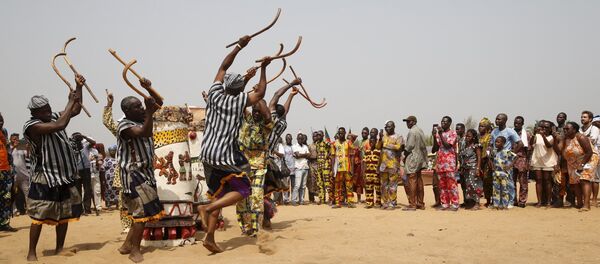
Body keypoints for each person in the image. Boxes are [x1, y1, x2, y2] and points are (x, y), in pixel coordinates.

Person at [197, 35, 273, 253]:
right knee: (244, 189)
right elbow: (260, 92)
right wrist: (264, 69)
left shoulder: (213, 94)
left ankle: (210, 238)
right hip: (225, 156)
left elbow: (224, 65)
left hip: (207, 153)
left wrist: (240, 46)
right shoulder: (240, 101)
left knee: (219, 196)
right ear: (240, 90)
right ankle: (207, 208)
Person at [23, 75, 85, 261]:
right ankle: (31, 252)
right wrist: (69, 101)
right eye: (44, 110)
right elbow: (60, 124)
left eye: (49, 108)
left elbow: (76, 110)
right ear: (35, 113)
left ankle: (59, 248)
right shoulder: (32, 125)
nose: (48, 112)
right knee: (39, 215)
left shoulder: (54, 116)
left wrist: (78, 87)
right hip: (45, 176)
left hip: (64, 175)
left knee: (65, 213)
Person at [116, 78, 165, 263]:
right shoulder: (124, 125)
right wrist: (150, 113)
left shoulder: (141, 118)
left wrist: (149, 88)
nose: (141, 109)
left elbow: (159, 102)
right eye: (137, 107)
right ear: (127, 111)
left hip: (144, 173)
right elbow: (145, 133)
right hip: (132, 174)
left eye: (140, 106)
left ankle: (127, 245)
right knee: (140, 214)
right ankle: (135, 250)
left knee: (141, 211)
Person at [236, 98, 273, 236]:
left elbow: (268, 114)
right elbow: (240, 103)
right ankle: (246, 227)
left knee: (256, 198)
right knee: (241, 198)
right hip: (242, 166)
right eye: (254, 110)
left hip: (259, 167)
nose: (256, 113)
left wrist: (259, 97)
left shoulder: (267, 125)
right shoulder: (246, 120)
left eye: (259, 111)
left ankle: (257, 229)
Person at [103, 90, 132, 233]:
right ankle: (127, 226)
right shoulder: (121, 130)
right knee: (124, 201)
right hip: (123, 172)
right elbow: (107, 122)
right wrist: (109, 105)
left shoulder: (142, 129)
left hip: (141, 171)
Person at [558, 122, 599, 212]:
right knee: (575, 182)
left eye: (567, 129)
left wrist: (582, 165)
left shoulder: (581, 137)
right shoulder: (565, 139)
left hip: (588, 159)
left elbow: (589, 152)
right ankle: (579, 203)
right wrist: (561, 139)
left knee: (584, 179)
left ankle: (586, 205)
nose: (565, 130)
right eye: (564, 129)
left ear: (574, 130)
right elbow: (559, 150)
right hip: (573, 162)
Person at [490, 114, 523, 208]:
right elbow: (491, 144)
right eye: (496, 119)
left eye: (499, 119)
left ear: (505, 121)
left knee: (508, 182)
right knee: (497, 183)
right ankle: (499, 202)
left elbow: (520, 143)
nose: (497, 121)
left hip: (506, 160)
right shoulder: (494, 131)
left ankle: (510, 202)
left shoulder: (510, 131)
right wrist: (490, 153)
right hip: (497, 159)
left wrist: (511, 153)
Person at [432, 116, 459, 211]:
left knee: (451, 184)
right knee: (442, 185)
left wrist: (440, 134)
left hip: (449, 163)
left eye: (445, 122)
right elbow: (435, 148)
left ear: (449, 123)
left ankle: (455, 203)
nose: (443, 123)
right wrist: (434, 136)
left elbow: (447, 146)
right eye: (442, 121)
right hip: (440, 163)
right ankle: (445, 203)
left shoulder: (453, 133)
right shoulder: (439, 134)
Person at [402, 116, 428, 211]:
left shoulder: (412, 132)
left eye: (409, 122)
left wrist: (404, 154)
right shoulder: (420, 130)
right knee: (419, 180)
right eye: (407, 122)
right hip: (420, 158)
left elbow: (409, 146)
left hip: (413, 158)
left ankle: (412, 204)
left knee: (412, 180)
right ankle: (420, 203)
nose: (407, 123)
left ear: (413, 122)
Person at [530, 120, 558, 208]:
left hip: (548, 161)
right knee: (538, 181)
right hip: (537, 161)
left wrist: (543, 136)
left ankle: (548, 202)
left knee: (547, 181)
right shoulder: (537, 136)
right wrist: (534, 134)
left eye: (546, 127)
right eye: (542, 127)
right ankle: (539, 201)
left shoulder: (552, 137)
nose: (544, 129)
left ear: (550, 129)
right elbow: (531, 143)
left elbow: (549, 146)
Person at [379, 121, 403, 210]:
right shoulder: (383, 137)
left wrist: (386, 145)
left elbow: (398, 147)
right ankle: (385, 202)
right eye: (386, 127)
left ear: (394, 127)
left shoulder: (398, 136)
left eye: (389, 127)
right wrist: (379, 139)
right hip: (383, 165)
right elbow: (378, 147)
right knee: (383, 185)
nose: (387, 128)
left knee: (393, 185)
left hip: (393, 164)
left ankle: (392, 203)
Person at [458, 129, 483, 210]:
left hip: (473, 168)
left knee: (475, 185)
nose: (467, 137)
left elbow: (479, 158)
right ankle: (471, 202)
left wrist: (478, 169)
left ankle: (477, 203)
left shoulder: (476, 146)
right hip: (466, 170)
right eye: (466, 136)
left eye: (469, 136)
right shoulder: (465, 147)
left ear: (473, 137)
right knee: (469, 186)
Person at [331, 127, 355, 208]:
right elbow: (333, 157)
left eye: (342, 133)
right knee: (337, 185)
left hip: (347, 167)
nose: (340, 134)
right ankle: (338, 202)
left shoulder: (349, 143)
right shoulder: (334, 144)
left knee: (349, 185)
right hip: (338, 168)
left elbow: (352, 156)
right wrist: (332, 169)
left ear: (345, 133)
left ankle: (350, 202)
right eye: (339, 133)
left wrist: (352, 167)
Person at [579, 111, 600, 206]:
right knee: (584, 178)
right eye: (582, 117)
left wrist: (582, 139)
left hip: (593, 155)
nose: (582, 119)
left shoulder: (594, 128)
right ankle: (586, 199)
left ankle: (592, 200)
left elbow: (592, 140)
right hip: (583, 156)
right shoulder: (580, 129)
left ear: (590, 119)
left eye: (585, 117)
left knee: (591, 178)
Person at [0, 113, 16, 232]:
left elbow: (8, 150)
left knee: (6, 197)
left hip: (5, 170)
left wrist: (10, 167)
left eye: (1, 120)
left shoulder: (3, 133)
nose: (1, 122)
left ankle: (4, 223)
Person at [491, 136, 517, 210]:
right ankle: (496, 204)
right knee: (496, 189)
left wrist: (510, 165)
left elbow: (515, 157)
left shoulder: (506, 151)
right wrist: (492, 166)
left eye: (498, 142)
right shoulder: (494, 151)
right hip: (496, 173)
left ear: (503, 143)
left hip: (504, 173)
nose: (496, 143)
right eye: (496, 142)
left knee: (505, 189)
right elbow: (491, 158)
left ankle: (505, 204)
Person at [10, 134, 30, 216]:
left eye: (17, 139)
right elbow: (8, 156)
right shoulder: (9, 148)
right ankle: (14, 210)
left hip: (23, 174)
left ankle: (30, 210)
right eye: (14, 139)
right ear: (10, 139)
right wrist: (14, 147)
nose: (16, 140)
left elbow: (28, 156)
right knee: (12, 193)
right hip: (13, 174)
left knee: (27, 193)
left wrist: (28, 149)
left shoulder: (21, 148)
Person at [513, 116, 531, 207]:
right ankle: (513, 200)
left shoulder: (526, 134)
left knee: (523, 182)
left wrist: (528, 162)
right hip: (511, 160)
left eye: (518, 123)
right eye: (515, 122)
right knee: (511, 182)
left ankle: (522, 201)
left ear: (522, 124)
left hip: (522, 159)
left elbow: (529, 149)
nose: (516, 124)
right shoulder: (511, 132)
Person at [363, 128, 382, 208]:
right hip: (368, 173)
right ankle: (369, 203)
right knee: (368, 188)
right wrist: (364, 172)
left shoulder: (378, 151)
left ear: (376, 142)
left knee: (377, 188)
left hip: (376, 173)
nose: (371, 143)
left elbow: (380, 162)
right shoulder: (366, 152)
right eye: (370, 142)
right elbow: (364, 162)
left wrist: (378, 170)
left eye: (373, 141)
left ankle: (378, 203)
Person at [479, 118, 494, 207]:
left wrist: (488, 158)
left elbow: (489, 148)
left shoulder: (489, 136)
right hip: (479, 161)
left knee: (489, 180)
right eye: (479, 126)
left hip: (487, 161)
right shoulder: (478, 137)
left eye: (483, 126)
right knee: (483, 182)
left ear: (487, 127)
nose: (480, 128)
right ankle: (487, 200)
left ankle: (492, 200)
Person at [292, 133, 310, 205]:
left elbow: (309, 155)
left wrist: (300, 155)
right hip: (298, 168)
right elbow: (297, 155)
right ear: (297, 139)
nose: (300, 139)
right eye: (299, 138)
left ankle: (301, 200)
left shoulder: (305, 146)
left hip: (305, 167)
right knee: (297, 185)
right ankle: (294, 200)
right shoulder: (294, 146)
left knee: (303, 186)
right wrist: (304, 155)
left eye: (301, 138)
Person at [315, 130, 332, 204]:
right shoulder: (317, 144)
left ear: (322, 136)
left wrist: (329, 154)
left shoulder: (326, 142)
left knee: (327, 183)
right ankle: (322, 199)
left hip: (325, 165)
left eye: (319, 135)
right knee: (320, 183)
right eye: (317, 135)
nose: (318, 136)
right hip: (319, 165)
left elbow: (332, 148)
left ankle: (331, 199)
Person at [353, 127, 369, 203]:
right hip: (359, 164)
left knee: (366, 182)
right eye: (362, 133)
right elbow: (353, 149)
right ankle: (359, 199)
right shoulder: (359, 142)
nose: (363, 134)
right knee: (358, 182)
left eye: (365, 133)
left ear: (368, 134)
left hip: (367, 163)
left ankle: (368, 198)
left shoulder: (369, 142)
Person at [455, 123, 467, 204]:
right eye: (456, 129)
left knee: (468, 184)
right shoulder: (459, 139)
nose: (456, 131)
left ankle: (470, 201)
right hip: (462, 164)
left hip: (467, 164)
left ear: (463, 129)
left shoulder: (466, 139)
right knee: (463, 184)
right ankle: (465, 200)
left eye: (458, 129)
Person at [307, 131, 319, 204]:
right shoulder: (310, 146)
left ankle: (320, 197)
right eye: (314, 136)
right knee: (311, 181)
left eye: (316, 136)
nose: (315, 137)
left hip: (318, 164)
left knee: (318, 181)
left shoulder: (320, 145)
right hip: (311, 164)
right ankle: (311, 198)